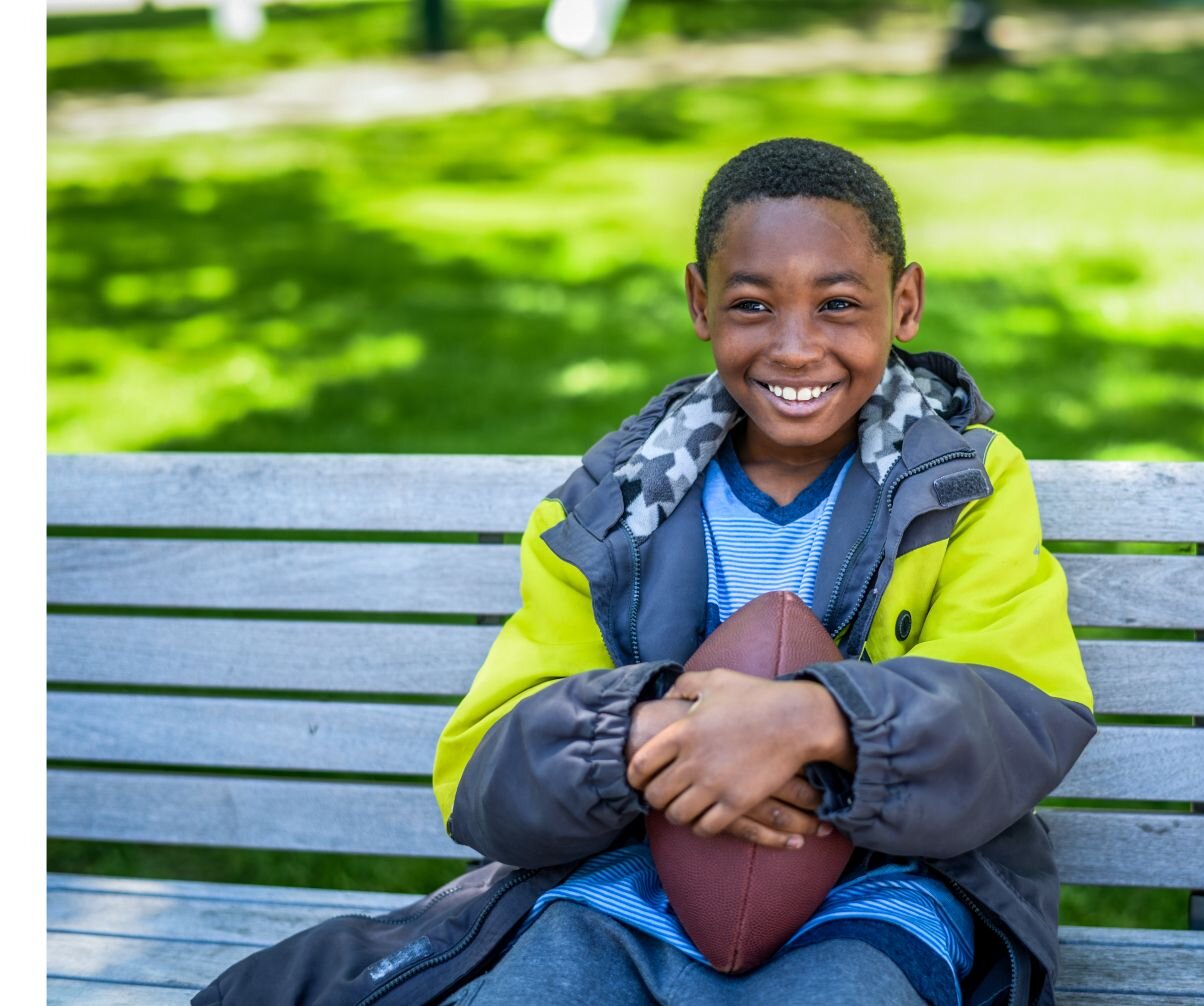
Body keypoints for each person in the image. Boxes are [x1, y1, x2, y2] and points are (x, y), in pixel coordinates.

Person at [190, 136, 1096, 1006]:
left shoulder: (958, 484)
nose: (794, 347)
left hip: (885, 894)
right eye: (752, 306)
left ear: (904, 304)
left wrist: (817, 719)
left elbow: (1020, 706)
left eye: (837, 305)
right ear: (700, 303)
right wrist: (635, 737)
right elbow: (482, 768)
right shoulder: (610, 510)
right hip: (624, 890)